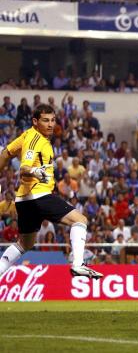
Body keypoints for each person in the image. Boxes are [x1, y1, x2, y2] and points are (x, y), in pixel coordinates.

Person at [0, 104, 102, 279]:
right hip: (38, 195)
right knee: (80, 220)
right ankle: (78, 264)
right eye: (45, 120)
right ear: (35, 121)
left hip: (25, 200)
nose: (50, 124)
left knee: (25, 244)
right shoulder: (35, 140)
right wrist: (34, 171)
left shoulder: (26, 135)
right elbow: (24, 169)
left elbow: (5, 153)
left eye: (53, 120)